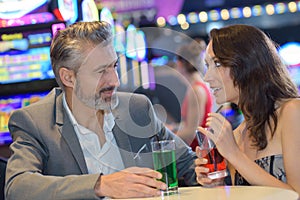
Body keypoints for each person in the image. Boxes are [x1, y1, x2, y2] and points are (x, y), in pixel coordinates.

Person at [5, 21, 198, 200]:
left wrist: (205, 171)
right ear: (68, 78)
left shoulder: (138, 108)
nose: (115, 81)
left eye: (113, 66)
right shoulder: (34, 121)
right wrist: (100, 184)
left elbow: (188, 164)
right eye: (101, 71)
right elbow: (17, 187)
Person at [195, 24, 300, 195]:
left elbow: (297, 195)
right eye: (208, 66)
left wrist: (234, 154)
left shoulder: (292, 112)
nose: (207, 77)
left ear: (247, 63)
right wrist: (217, 185)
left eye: (217, 64)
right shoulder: (237, 134)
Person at [173, 40, 213, 151]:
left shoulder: (196, 90)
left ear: (180, 64)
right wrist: (173, 128)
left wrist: (165, 135)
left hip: (197, 152)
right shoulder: (198, 86)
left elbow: (192, 131)